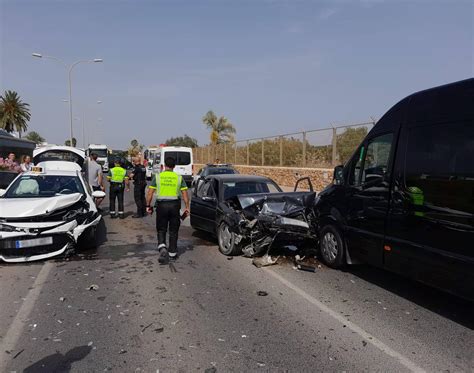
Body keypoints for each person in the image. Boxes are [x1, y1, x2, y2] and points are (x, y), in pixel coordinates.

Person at [146, 156, 190, 263]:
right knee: (173, 230)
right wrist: (187, 207)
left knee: (161, 228)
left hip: (161, 206)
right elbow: (185, 194)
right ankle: (172, 254)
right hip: (175, 206)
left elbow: (150, 193)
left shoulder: (158, 177)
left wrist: (148, 206)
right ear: (174, 166)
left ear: (164, 166)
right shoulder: (179, 178)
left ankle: (162, 247)